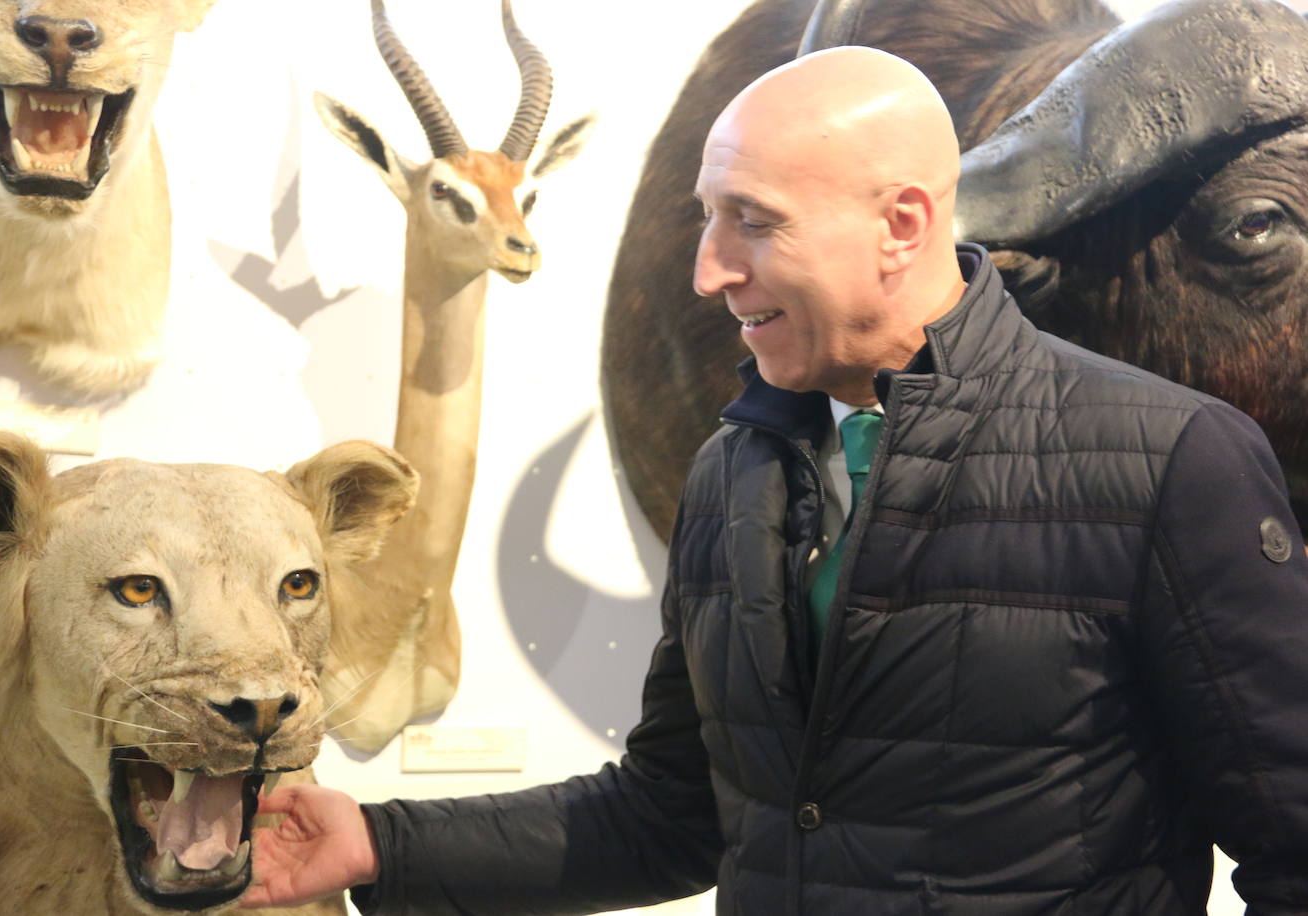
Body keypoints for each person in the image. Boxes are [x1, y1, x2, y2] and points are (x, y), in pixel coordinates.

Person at [242, 47, 1308, 914]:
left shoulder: (1175, 461)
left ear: (901, 226)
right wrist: (378, 842)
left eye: (752, 220)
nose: (709, 269)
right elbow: (671, 816)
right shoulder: (732, 471)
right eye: (710, 219)